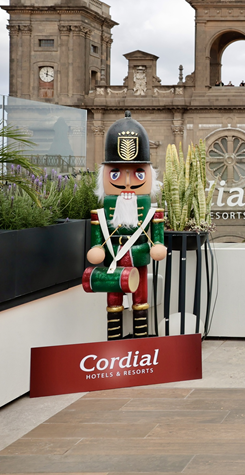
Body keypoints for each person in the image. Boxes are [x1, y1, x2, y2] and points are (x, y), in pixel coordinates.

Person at [84, 111, 166, 340]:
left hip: (138, 256)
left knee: (141, 301)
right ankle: (114, 341)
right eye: (116, 173)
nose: (127, 182)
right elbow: (98, 238)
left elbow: (157, 237)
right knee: (113, 301)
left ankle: (140, 341)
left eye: (138, 173)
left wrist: (157, 245)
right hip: (113, 260)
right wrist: (97, 248)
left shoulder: (153, 211)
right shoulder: (100, 213)